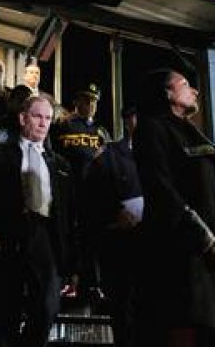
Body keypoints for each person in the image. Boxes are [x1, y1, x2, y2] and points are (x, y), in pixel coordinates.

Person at [132, 68, 215, 347]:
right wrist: (202, 236)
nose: (195, 90)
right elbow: (161, 190)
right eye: (186, 84)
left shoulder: (191, 132)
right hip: (177, 252)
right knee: (185, 329)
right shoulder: (152, 128)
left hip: (208, 253)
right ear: (168, 94)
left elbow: (208, 198)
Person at [0, 95, 72, 347]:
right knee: (6, 307)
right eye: (37, 116)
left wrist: (73, 263)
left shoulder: (59, 164)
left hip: (44, 235)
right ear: (22, 118)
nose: (43, 123)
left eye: (48, 118)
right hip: (7, 231)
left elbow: (68, 215)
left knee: (48, 305)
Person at [85, 105, 142, 347]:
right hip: (121, 248)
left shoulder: (161, 153)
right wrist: (114, 213)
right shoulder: (108, 155)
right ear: (129, 120)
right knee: (124, 317)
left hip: (155, 247)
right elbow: (89, 197)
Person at [51, 83, 112, 300]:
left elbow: (109, 162)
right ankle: (66, 280)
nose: (90, 104)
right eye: (86, 100)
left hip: (92, 194)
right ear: (76, 102)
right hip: (65, 191)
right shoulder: (62, 125)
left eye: (94, 100)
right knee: (65, 234)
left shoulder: (101, 131)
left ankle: (91, 283)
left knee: (91, 238)